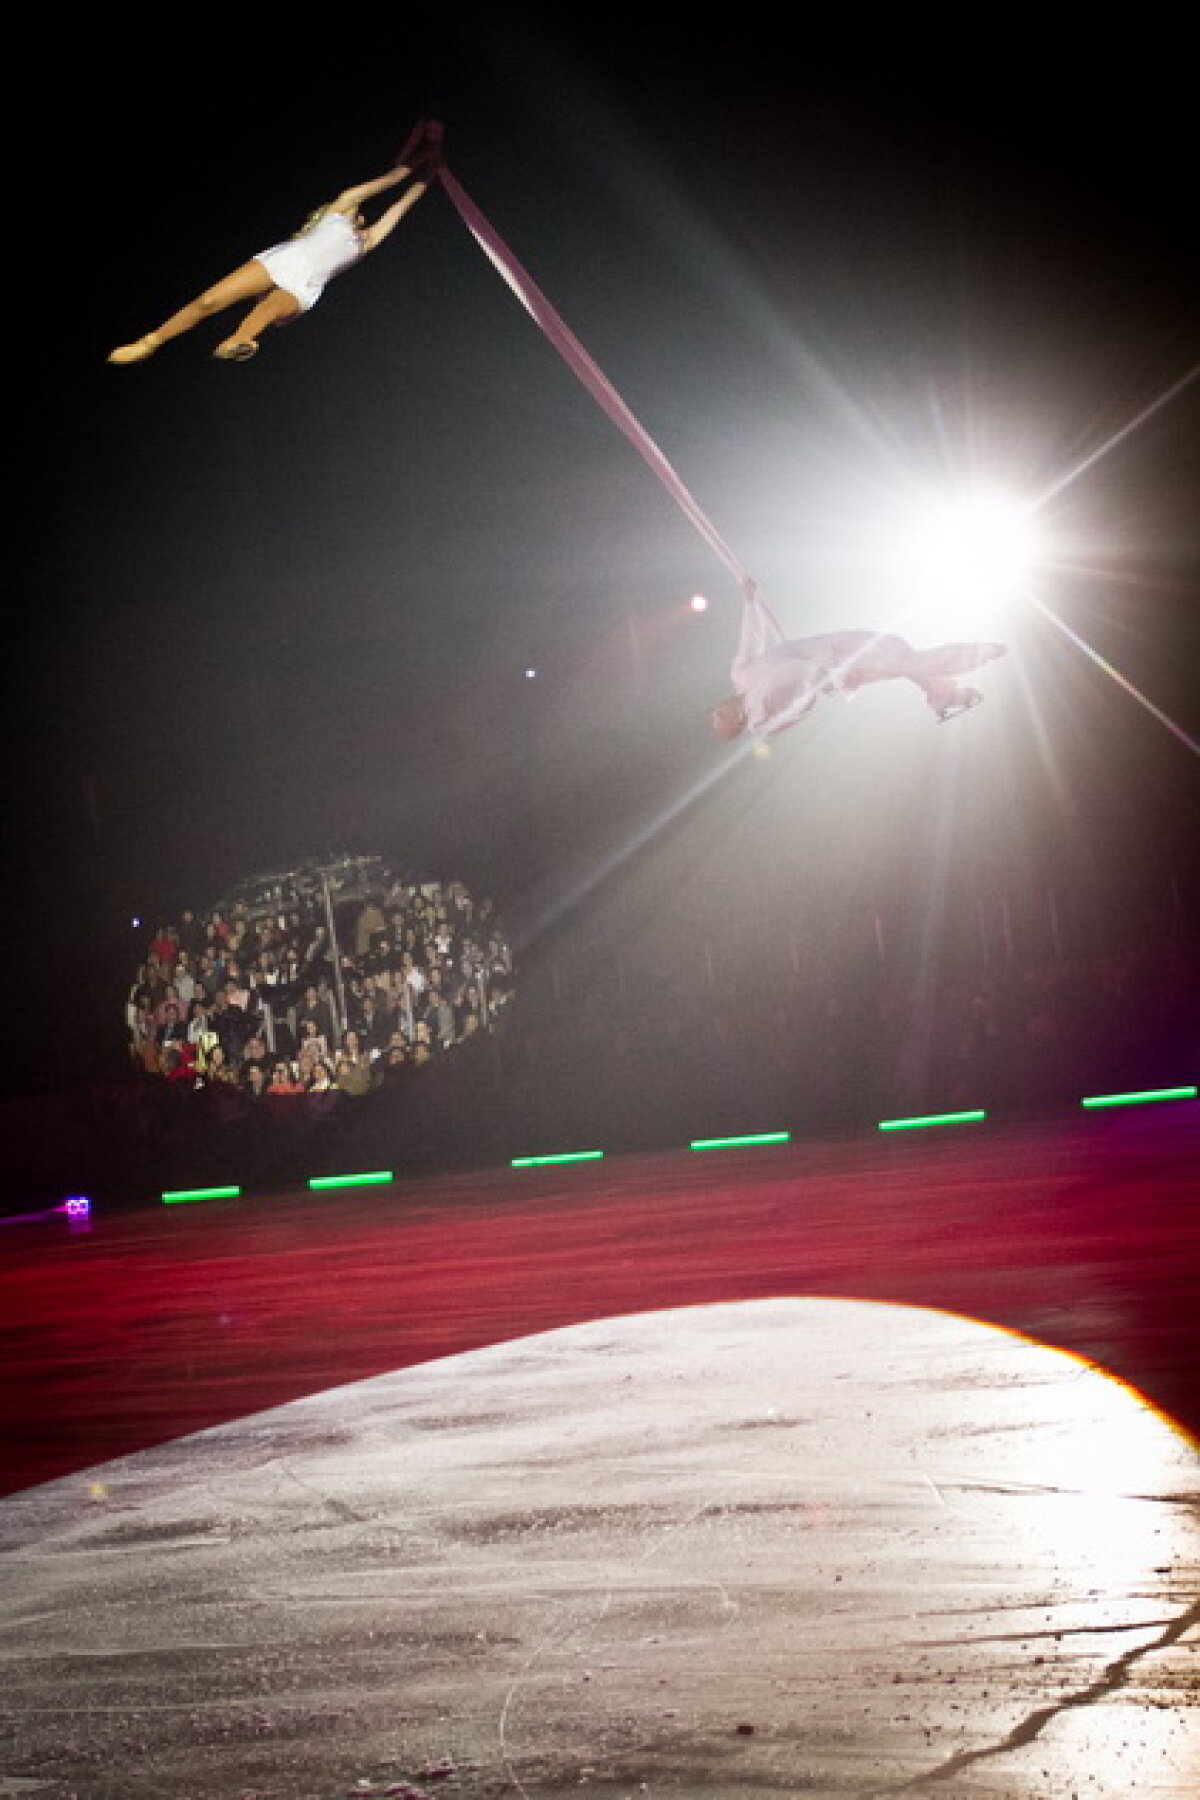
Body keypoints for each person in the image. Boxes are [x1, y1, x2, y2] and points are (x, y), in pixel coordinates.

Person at [108, 129, 440, 366]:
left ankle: (236, 342)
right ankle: (150, 341)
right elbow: (390, 181)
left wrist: (429, 177)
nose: (365, 214)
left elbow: (400, 206)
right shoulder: (340, 209)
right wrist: (415, 162)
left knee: (265, 311)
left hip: (307, 285)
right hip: (284, 259)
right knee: (208, 301)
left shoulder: (367, 241)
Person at [710, 583, 1007, 739]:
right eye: (719, 720)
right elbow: (797, 711)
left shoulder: (741, 673)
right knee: (901, 661)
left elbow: (750, 638)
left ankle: (939, 694)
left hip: (831, 645)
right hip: (838, 671)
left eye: (715, 713)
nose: (717, 712)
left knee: (897, 649)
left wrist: (750, 601)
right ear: (736, 723)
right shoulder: (760, 722)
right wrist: (820, 683)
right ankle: (973, 658)